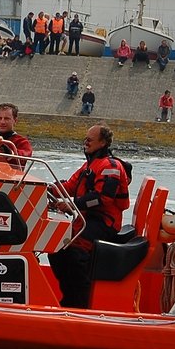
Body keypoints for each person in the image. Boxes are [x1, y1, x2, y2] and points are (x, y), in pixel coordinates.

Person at [48, 124, 132, 308]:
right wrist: (46, 188)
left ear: (102, 143)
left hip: (104, 222)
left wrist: (72, 205)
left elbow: (104, 199)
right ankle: (70, 297)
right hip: (87, 220)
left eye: (90, 140)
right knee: (55, 248)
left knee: (76, 251)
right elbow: (70, 185)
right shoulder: (89, 165)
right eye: (85, 139)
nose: (85, 142)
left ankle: (81, 304)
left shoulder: (111, 166)